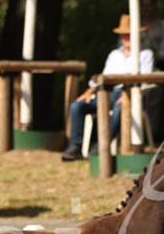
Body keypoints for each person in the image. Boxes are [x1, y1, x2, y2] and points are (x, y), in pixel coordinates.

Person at [61, 14, 154, 162]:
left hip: (128, 95)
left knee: (119, 110)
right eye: (124, 34)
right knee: (77, 106)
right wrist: (90, 90)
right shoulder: (114, 54)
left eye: (130, 34)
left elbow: (146, 80)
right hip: (106, 93)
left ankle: (100, 147)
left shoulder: (146, 54)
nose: (126, 37)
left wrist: (128, 94)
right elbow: (104, 77)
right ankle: (75, 147)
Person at [140, 0, 164, 140]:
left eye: (149, 5)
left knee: (154, 100)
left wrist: (160, 56)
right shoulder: (134, 25)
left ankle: (152, 132)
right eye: (144, 5)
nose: (147, 8)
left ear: (154, 6)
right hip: (138, 68)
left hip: (159, 67)